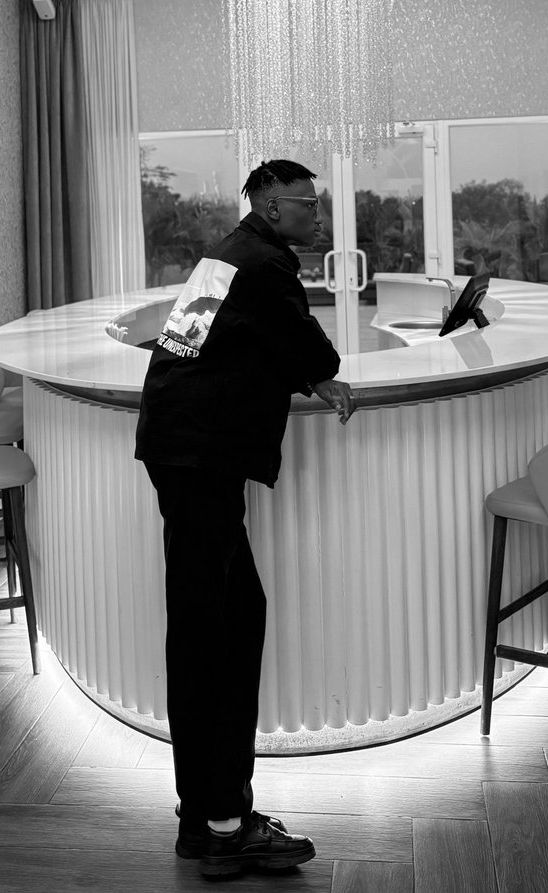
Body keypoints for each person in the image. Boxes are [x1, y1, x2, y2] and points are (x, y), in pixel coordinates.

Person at [135, 158, 355, 881]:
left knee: (219, 622)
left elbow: (192, 343)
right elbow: (314, 350)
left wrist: (294, 367)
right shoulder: (264, 263)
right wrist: (315, 372)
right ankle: (224, 827)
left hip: (180, 453)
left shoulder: (220, 256)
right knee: (216, 635)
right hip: (200, 460)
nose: (314, 216)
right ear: (265, 200)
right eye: (303, 204)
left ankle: (205, 819)